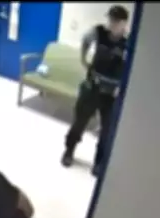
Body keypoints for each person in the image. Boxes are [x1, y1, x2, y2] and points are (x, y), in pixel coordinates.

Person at [62, 5, 130, 177]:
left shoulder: (128, 43)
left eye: (116, 21)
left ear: (124, 23)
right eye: (110, 19)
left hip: (112, 93)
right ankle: (69, 151)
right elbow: (85, 40)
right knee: (79, 123)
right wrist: (83, 59)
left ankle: (99, 163)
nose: (112, 23)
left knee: (107, 131)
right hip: (93, 87)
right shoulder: (98, 32)